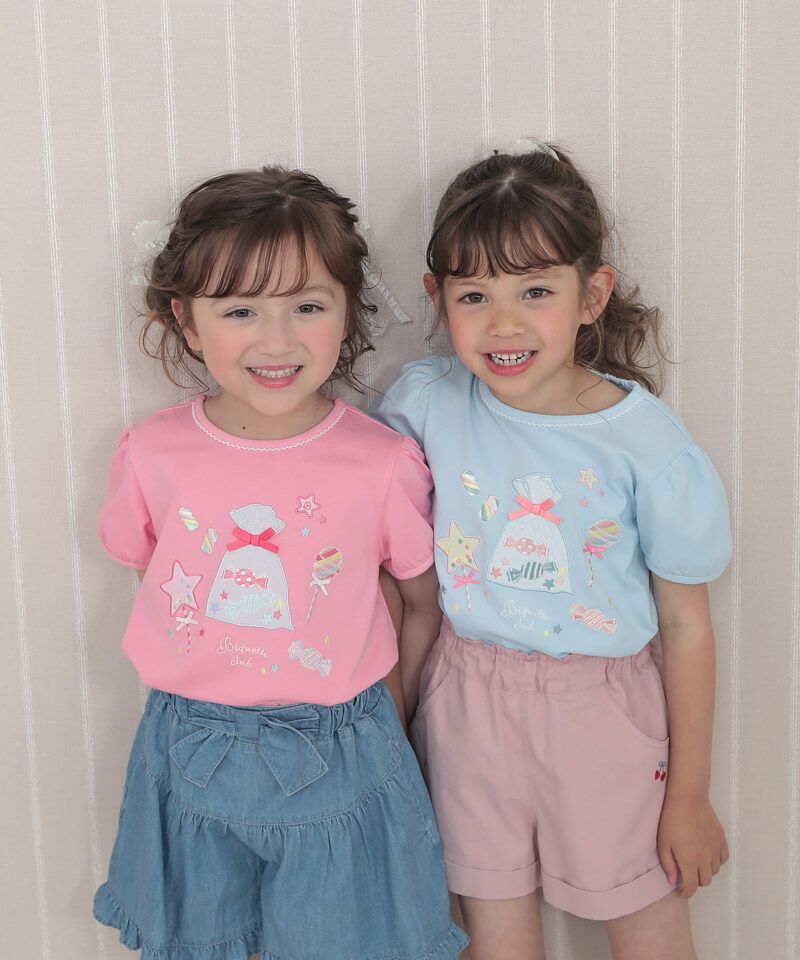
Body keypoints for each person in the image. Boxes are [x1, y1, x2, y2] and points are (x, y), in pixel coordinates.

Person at [93, 166, 466, 960]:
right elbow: (153, 570)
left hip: (347, 747)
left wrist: (395, 718)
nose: (276, 340)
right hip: (188, 744)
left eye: (307, 306)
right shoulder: (153, 453)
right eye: (240, 310)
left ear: (347, 309)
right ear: (187, 321)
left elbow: (420, 602)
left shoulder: (381, 462)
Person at [372, 138, 731, 960]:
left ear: (591, 294)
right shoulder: (424, 406)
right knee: (493, 933)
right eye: (474, 295)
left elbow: (686, 625)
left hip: (601, 711)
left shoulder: (645, 445)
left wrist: (689, 795)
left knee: (647, 922)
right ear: (437, 298)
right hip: (465, 704)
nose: (504, 324)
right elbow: (388, 565)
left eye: (535, 291)